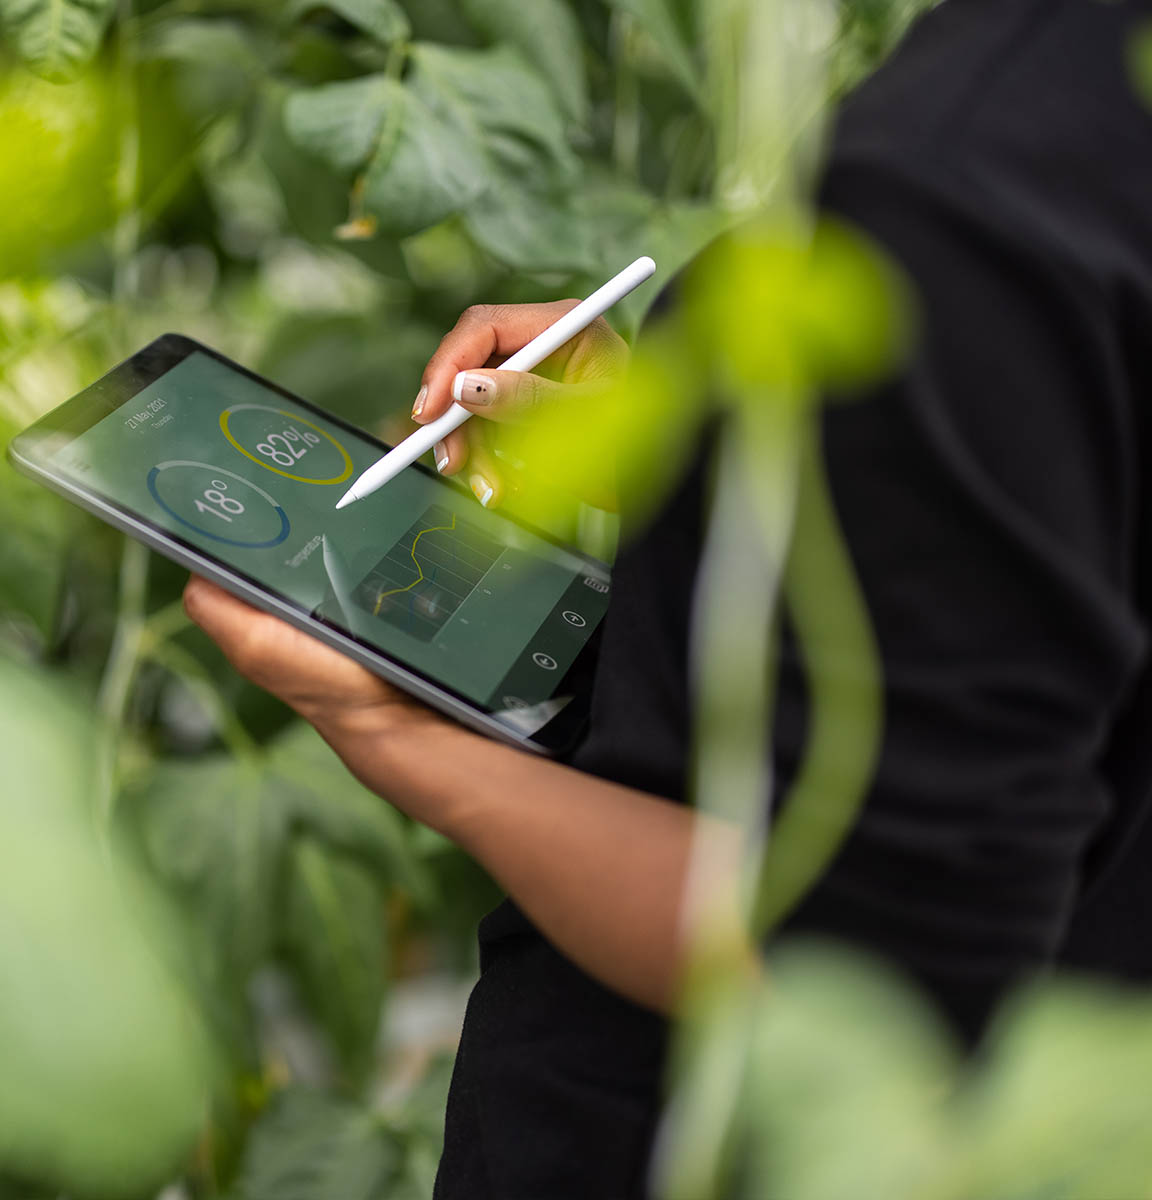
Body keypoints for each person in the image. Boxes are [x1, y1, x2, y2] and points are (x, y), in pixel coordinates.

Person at [184, 1, 1152, 1193]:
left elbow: (875, 971)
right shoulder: (1094, 98)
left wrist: (400, 733)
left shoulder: (955, 182)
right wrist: (710, 450)